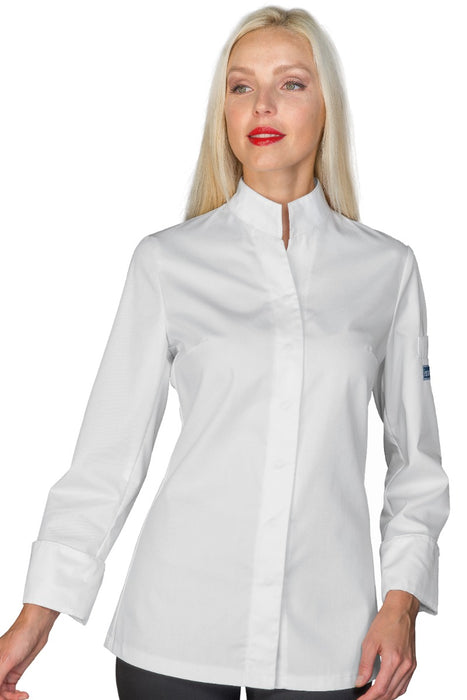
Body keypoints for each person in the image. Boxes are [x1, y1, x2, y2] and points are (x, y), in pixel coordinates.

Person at [0, 5, 450, 700]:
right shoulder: (166, 263)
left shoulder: (386, 270)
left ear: (327, 105)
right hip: (174, 628)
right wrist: (33, 623)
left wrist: (401, 605)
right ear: (224, 113)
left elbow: (415, 465)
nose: (262, 104)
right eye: (241, 87)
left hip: (327, 636)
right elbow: (107, 460)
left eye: (290, 83)